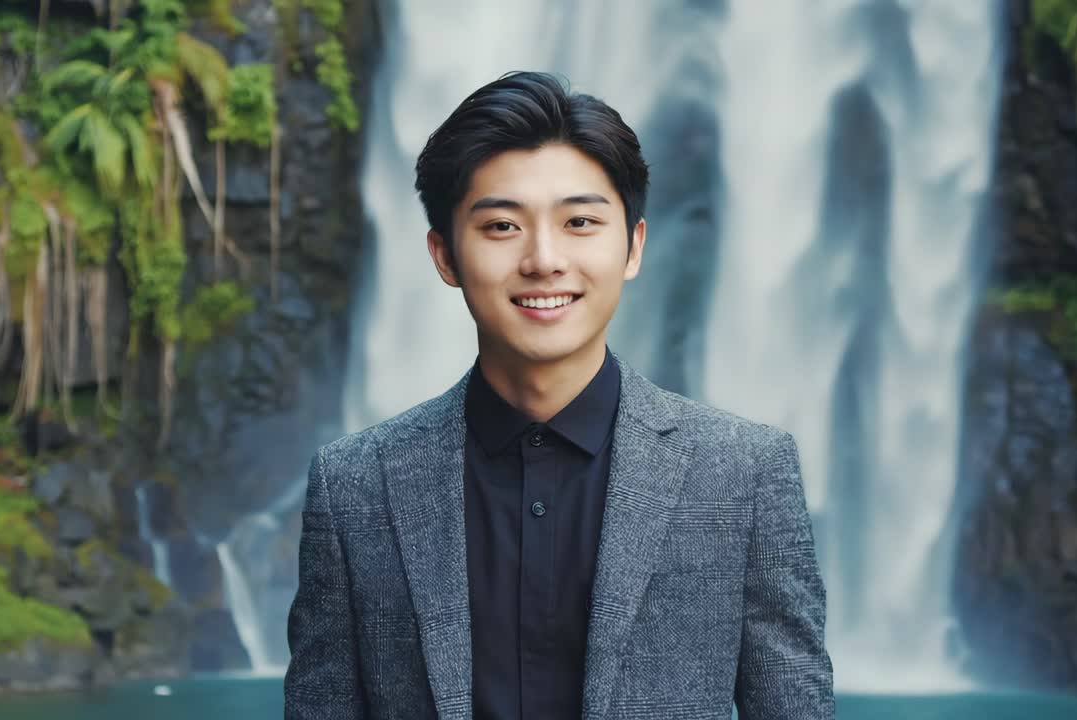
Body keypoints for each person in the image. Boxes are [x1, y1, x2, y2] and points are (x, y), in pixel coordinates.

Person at [284, 70, 834, 719]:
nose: (544, 259)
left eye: (580, 221)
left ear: (632, 246)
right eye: (500, 227)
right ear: (444, 256)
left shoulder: (745, 474)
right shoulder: (355, 487)